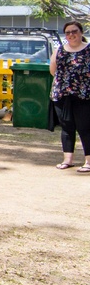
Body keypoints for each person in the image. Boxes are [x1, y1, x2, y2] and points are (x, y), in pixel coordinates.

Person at [50, 20, 90, 172]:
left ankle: (88, 161)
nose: (71, 35)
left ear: (81, 32)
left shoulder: (88, 49)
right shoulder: (59, 50)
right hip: (62, 94)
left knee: (85, 127)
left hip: (84, 95)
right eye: (68, 32)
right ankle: (68, 159)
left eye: (74, 31)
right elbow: (53, 71)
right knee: (67, 127)